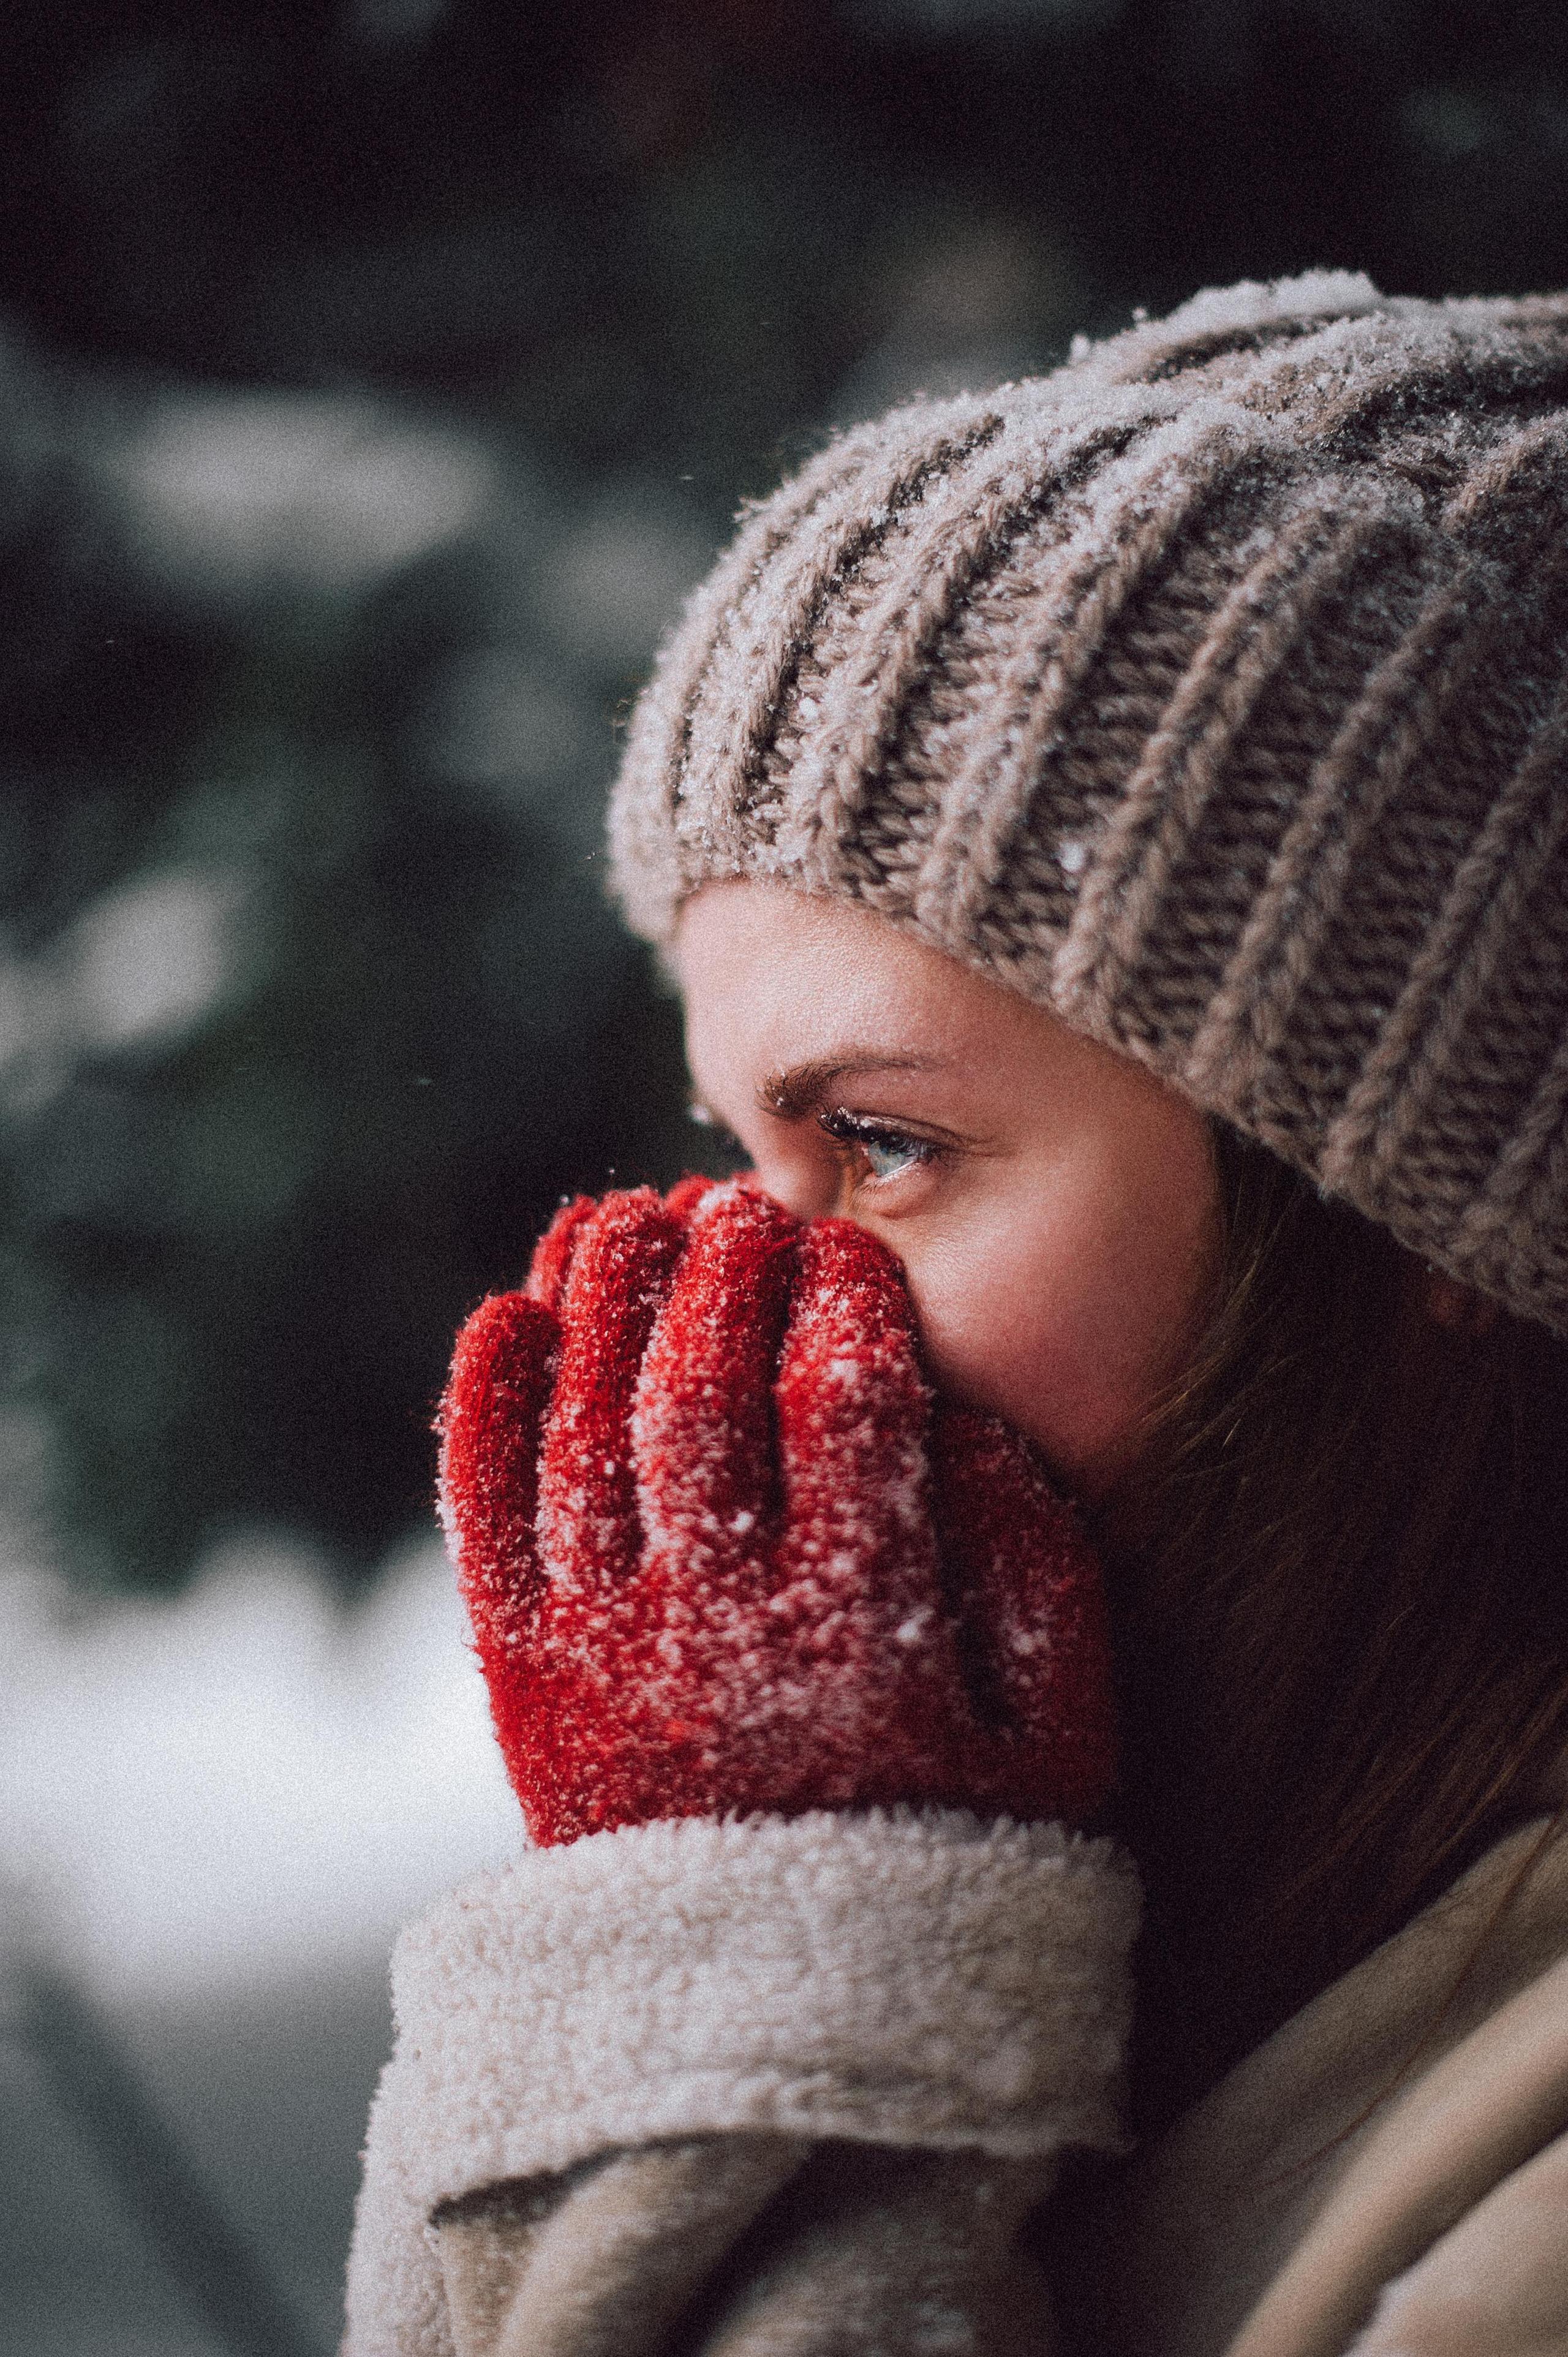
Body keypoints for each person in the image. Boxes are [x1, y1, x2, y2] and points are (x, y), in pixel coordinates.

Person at [344, 273, 1568, 2357]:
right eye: (745, 1151)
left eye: (889, 1144)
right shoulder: (1131, 1895)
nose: (766, 1296)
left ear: (1426, 1208)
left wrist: (736, 2020)